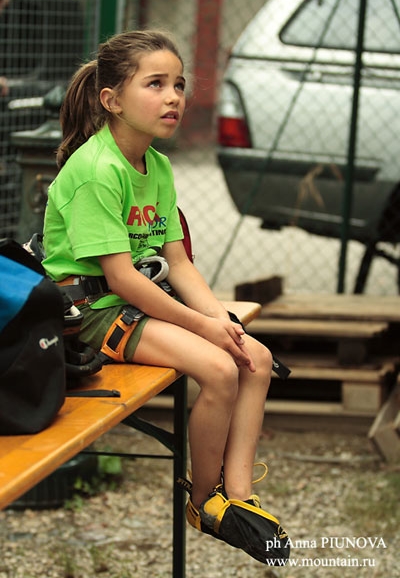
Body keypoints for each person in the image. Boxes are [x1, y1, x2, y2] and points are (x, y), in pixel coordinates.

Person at [42, 30, 289, 564]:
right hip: (88, 315)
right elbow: (124, 280)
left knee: (255, 357)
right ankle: (203, 503)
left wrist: (222, 320)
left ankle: (240, 497)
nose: (174, 96)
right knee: (220, 371)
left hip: (133, 305)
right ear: (111, 100)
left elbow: (178, 264)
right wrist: (205, 330)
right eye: (155, 84)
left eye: (178, 84)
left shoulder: (159, 165)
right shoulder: (96, 171)